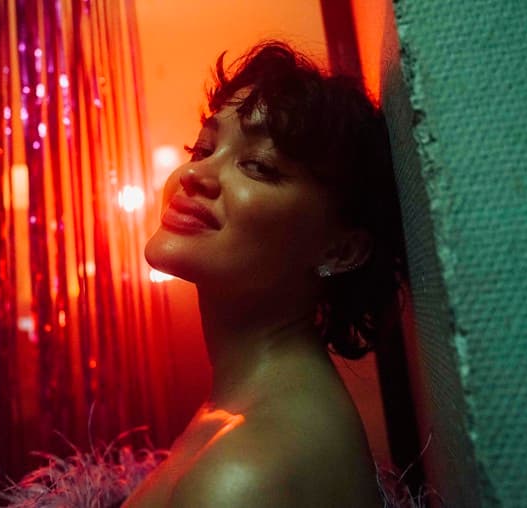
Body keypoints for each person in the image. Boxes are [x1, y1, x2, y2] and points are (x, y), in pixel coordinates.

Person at [127, 40, 408, 507]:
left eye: (257, 165)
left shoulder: (244, 477)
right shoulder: (242, 410)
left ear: (341, 250)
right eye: (203, 148)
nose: (193, 174)